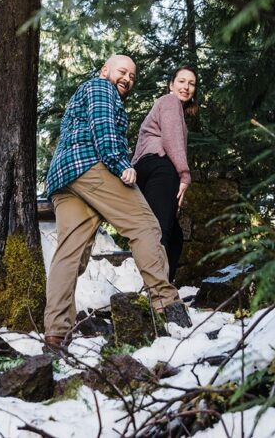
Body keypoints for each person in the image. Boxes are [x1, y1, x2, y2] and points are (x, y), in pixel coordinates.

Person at [43, 54, 192, 350]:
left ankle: (56, 333)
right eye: (122, 71)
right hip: (92, 166)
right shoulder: (101, 88)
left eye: (132, 76)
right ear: (105, 70)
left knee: (70, 254)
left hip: (64, 178)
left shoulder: (85, 92)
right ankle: (167, 305)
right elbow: (103, 128)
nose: (127, 78)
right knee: (145, 225)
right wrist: (119, 163)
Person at [133, 66, 197, 283]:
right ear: (171, 85)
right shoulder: (170, 102)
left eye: (191, 83)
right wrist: (185, 175)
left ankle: (162, 286)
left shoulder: (167, 105)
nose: (186, 87)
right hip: (160, 166)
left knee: (174, 235)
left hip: (149, 167)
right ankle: (159, 293)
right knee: (162, 231)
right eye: (181, 81)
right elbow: (172, 141)